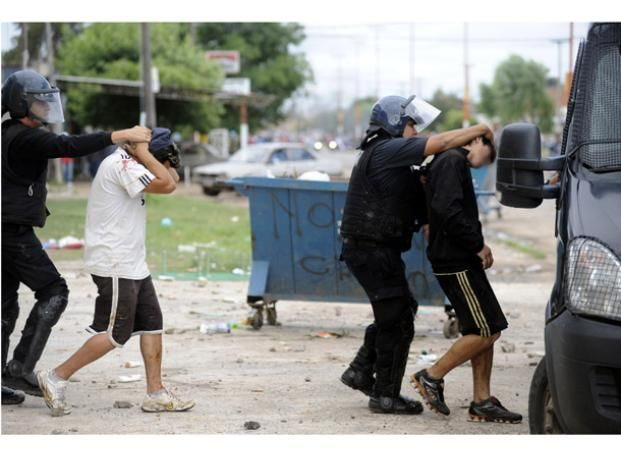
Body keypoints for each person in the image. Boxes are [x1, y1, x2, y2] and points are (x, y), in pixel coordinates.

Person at [1, 69, 151, 405]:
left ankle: (7, 374)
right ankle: (19, 369)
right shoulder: (24, 137)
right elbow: (66, 144)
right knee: (54, 290)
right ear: (20, 104)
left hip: (6, 229)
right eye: (37, 101)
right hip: (10, 232)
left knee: (6, 303)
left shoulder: (8, 133)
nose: (44, 106)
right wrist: (118, 134)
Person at [339, 94, 496, 414]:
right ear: (396, 122)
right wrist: (480, 128)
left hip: (374, 249)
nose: (414, 131)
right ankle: (384, 395)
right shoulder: (386, 148)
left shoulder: (387, 154)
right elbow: (440, 142)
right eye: (411, 124)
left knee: (399, 310)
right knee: (397, 320)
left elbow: (410, 191)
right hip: (370, 249)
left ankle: (359, 370)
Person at [37, 128, 194, 417]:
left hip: (132, 261)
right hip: (115, 261)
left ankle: (156, 393)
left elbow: (172, 179)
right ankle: (56, 376)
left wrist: (147, 152)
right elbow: (167, 185)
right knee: (115, 334)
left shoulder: (132, 161)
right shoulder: (123, 164)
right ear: (139, 152)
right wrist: (145, 152)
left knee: (152, 323)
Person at [410, 136, 522, 424]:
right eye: (488, 151)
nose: (486, 160)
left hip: (458, 257)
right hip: (456, 258)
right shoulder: (452, 160)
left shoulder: (447, 161)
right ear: (475, 140)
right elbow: (448, 210)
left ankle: (482, 401)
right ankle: (431, 376)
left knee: (486, 326)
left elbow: (431, 197)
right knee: (487, 331)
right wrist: (477, 244)